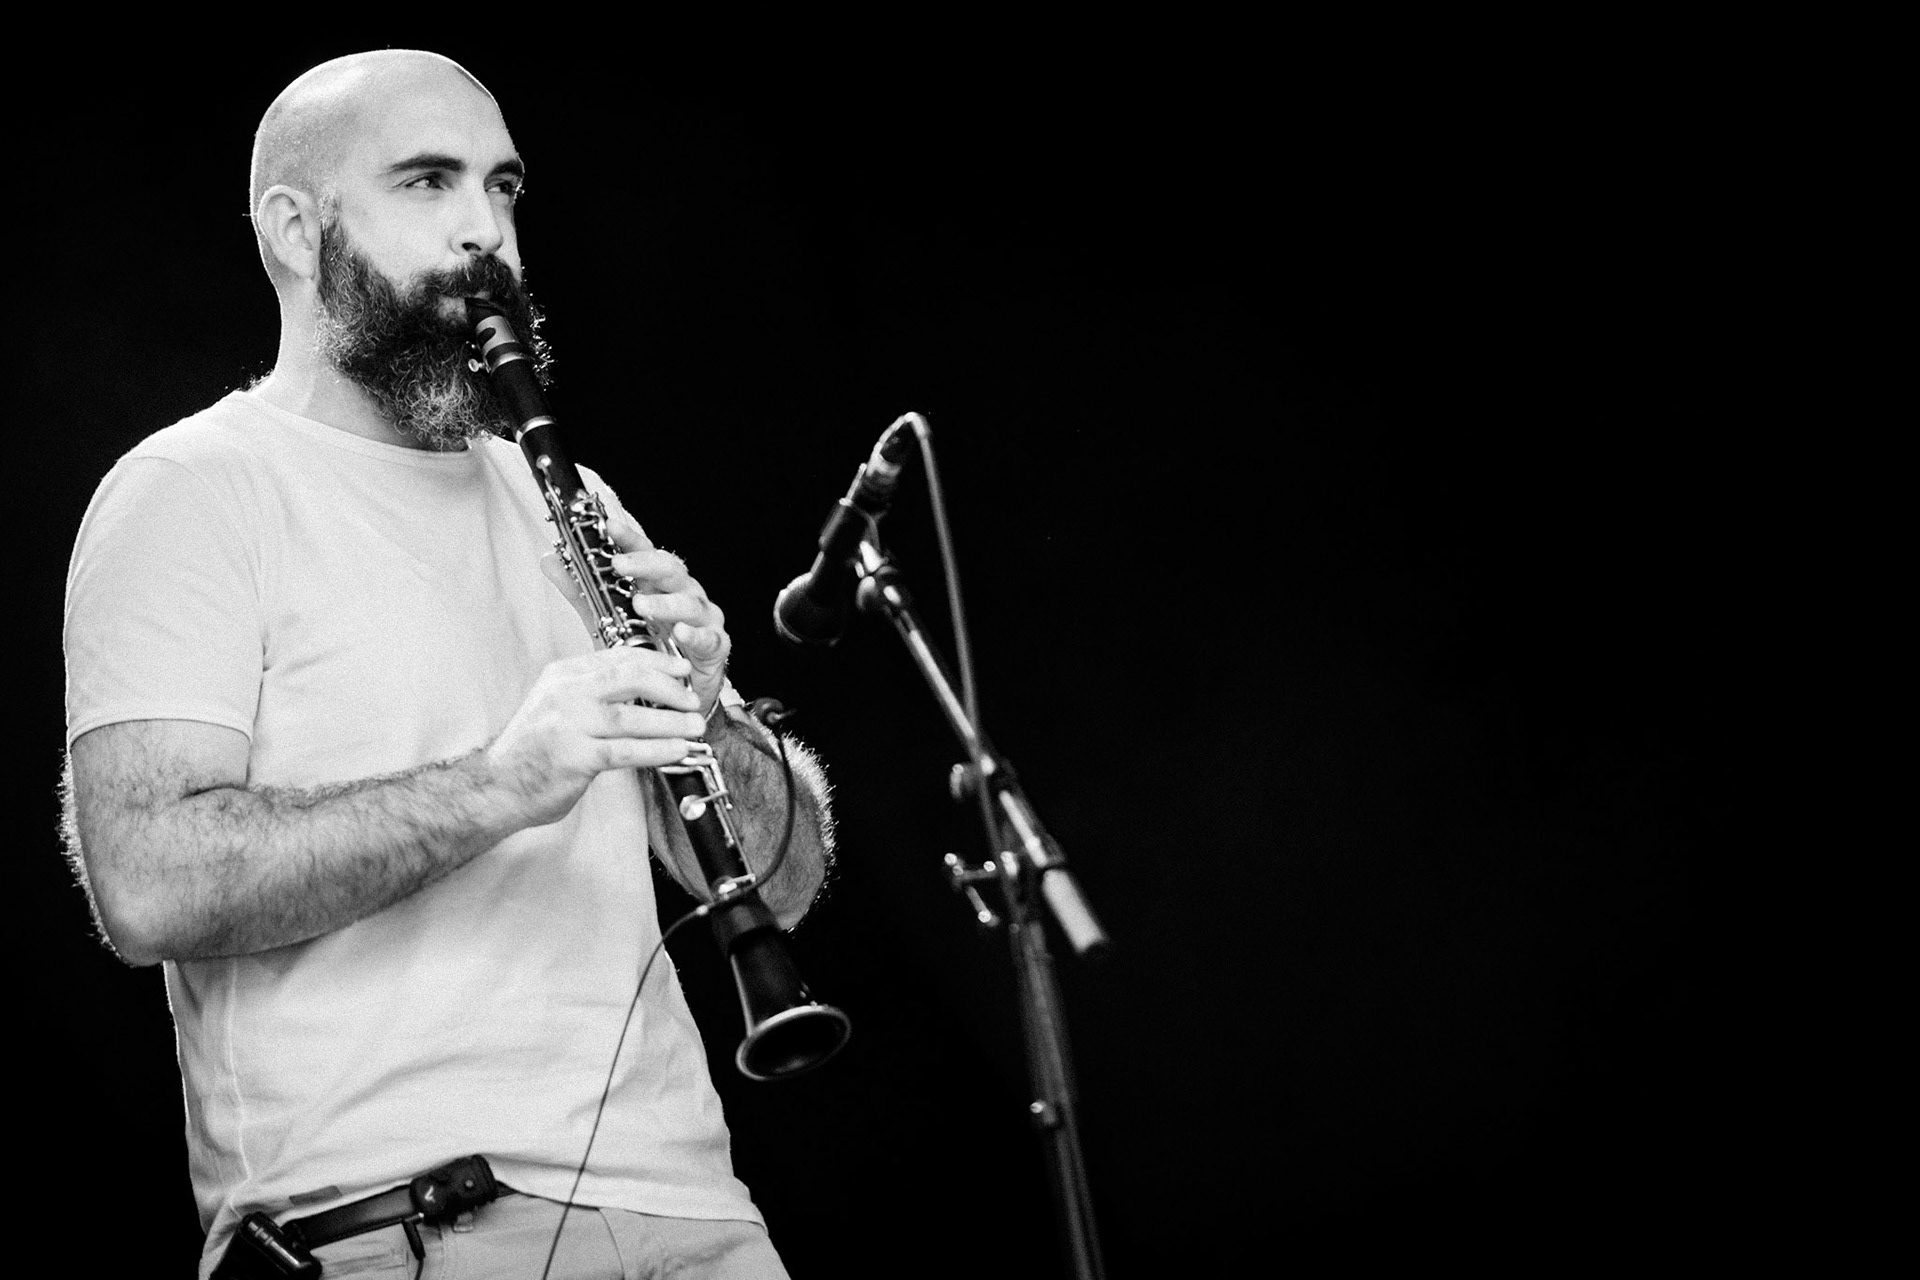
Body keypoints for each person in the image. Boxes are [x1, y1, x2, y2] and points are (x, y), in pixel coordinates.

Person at [60, 49, 831, 1279]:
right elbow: (147, 883)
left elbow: (781, 885)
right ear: (296, 230)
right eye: (427, 182)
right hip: (413, 1221)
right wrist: (502, 782)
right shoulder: (192, 490)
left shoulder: (566, 497)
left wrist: (709, 714)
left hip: (700, 1214)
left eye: (503, 187)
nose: (487, 232)